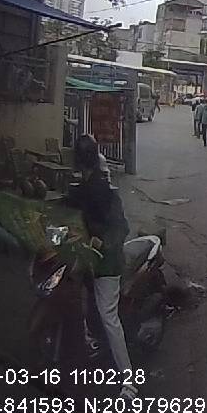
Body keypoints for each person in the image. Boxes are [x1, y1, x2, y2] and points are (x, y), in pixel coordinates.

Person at [65, 135, 137, 398]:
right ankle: (86, 342)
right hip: (86, 257)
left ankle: (129, 379)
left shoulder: (104, 192)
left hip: (107, 262)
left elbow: (121, 228)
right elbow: (67, 212)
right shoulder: (80, 188)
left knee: (109, 317)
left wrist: (101, 241)